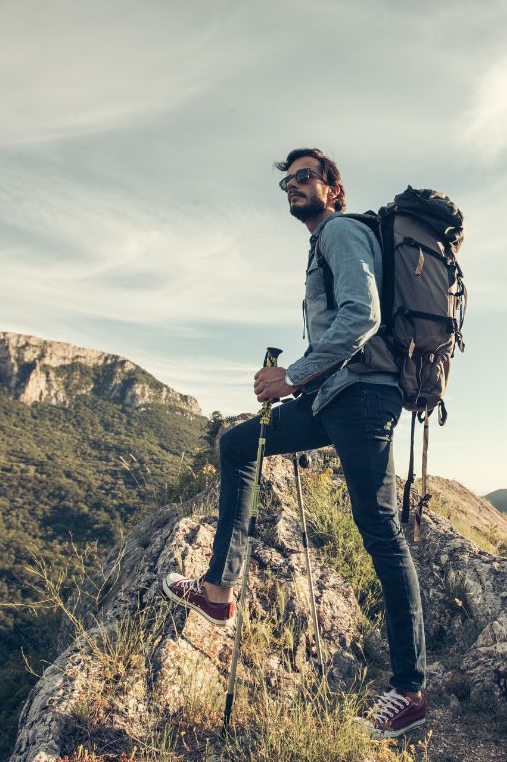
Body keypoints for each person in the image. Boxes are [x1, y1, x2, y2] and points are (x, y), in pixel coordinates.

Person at [162, 148, 427, 738]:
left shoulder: (340, 231)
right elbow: (340, 324)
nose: (292, 186)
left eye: (305, 177)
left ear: (333, 188)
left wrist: (293, 374)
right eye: (287, 181)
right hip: (333, 398)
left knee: (380, 531)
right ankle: (218, 593)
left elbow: (361, 316)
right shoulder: (324, 241)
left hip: (362, 398)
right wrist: (299, 381)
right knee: (238, 446)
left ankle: (409, 690)